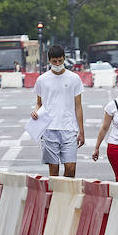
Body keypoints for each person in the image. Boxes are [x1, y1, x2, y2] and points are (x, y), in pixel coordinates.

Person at [31, 45, 85, 177]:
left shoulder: (74, 78)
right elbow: (39, 103)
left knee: (71, 168)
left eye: (60, 61)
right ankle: (56, 196)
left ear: (64, 59)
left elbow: (78, 106)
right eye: (54, 61)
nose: (57, 64)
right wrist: (36, 112)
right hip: (49, 129)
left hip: (69, 129)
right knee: (53, 170)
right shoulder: (42, 80)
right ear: (49, 60)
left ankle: (67, 195)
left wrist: (81, 131)